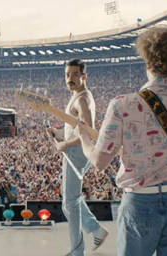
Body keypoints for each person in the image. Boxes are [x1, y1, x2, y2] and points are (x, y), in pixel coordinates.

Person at [75, 26, 167, 256]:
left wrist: (83, 139)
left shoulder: (123, 104)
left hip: (140, 202)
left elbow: (99, 162)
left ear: (147, 60)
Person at [47, 59, 108, 255]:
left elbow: (88, 131)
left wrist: (65, 144)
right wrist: (59, 133)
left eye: (74, 74)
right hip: (76, 151)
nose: (70, 79)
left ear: (84, 76)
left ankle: (77, 250)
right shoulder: (78, 96)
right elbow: (76, 128)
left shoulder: (81, 99)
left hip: (76, 153)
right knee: (71, 198)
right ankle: (96, 230)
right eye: (67, 75)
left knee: (69, 204)